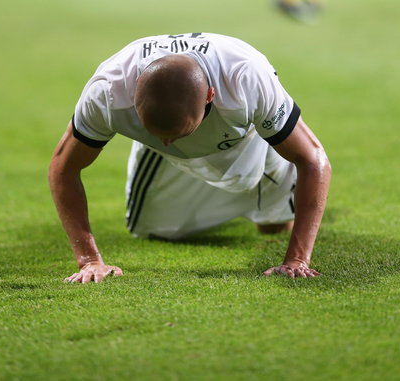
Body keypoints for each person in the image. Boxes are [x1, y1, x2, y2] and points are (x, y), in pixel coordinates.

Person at [49, 33, 331, 283]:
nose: (168, 139)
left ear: (211, 95)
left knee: (273, 226)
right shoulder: (107, 91)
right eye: (156, 131)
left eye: (178, 133)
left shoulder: (245, 77)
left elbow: (313, 159)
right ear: (134, 96)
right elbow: (63, 168)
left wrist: (297, 260)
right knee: (155, 231)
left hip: (248, 141)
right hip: (166, 158)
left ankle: (267, 189)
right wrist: (89, 260)